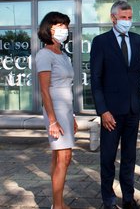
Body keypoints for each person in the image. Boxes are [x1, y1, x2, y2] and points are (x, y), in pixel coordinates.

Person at [90, 0, 140, 209]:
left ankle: (128, 199)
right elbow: (96, 79)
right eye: (123, 18)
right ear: (113, 18)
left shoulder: (138, 41)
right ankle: (109, 201)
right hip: (110, 113)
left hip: (132, 110)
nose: (127, 21)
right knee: (108, 159)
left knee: (129, 158)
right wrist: (103, 111)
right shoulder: (100, 42)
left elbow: (135, 74)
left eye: (130, 18)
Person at [36, 11, 78, 209]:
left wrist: (73, 116)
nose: (64, 29)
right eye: (59, 25)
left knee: (59, 157)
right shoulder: (44, 54)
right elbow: (44, 90)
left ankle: (57, 204)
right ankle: (59, 206)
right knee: (64, 157)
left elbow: (67, 88)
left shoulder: (64, 55)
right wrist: (52, 120)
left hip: (66, 111)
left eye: (65, 25)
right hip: (55, 112)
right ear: (48, 28)